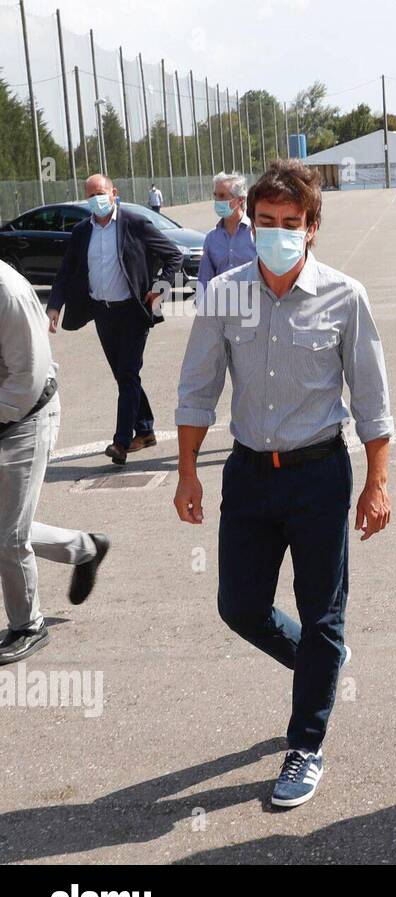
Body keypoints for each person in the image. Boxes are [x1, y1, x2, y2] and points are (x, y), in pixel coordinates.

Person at [174, 160, 394, 808]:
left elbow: (374, 403)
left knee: (324, 612)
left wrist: (377, 485)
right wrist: (188, 472)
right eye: (264, 222)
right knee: (238, 607)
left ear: (313, 227)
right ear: (250, 223)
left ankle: (305, 745)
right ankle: (321, 661)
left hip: (319, 474)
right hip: (247, 475)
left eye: (289, 224)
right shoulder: (226, 294)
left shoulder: (346, 297)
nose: (276, 233)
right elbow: (197, 391)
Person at [0, 262, 110, 665]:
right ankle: (83, 548)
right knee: (8, 529)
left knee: (8, 537)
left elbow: (25, 382)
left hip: (26, 418)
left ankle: (28, 625)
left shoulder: (6, 291)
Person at [47, 174, 183, 466]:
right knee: (125, 376)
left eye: (100, 193)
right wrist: (55, 306)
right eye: (90, 195)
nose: (96, 199)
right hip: (102, 313)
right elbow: (66, 271)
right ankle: (145, 428)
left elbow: (173, 255)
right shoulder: (83, 231)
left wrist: (160, 288)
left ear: (113, 193)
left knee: (128, 374)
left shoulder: (134, 224)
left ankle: (121, 443)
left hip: (133, 312)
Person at [197, 172, 256, 296]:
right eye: (216, 195)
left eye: (223, 196)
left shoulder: (255, 233)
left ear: (240, 199)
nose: (218, 201)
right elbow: (204, 279)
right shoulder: (211, 239)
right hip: (222, 309)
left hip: (255, 307)